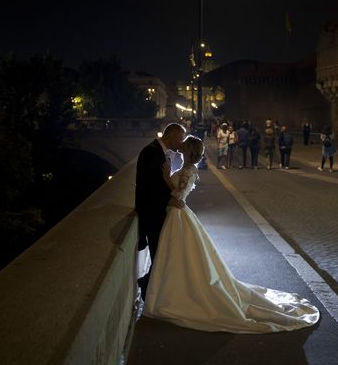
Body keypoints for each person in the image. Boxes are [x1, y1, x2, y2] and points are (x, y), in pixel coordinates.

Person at [143, 135, 320, 333]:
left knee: (178, 257)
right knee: (178, 257)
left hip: (177, 215)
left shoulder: (188, 171)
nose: (180, 144)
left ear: (188, 150)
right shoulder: (186, 169)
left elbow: (178, 198)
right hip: (176, 217)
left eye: (183, 144)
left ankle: (172, 295)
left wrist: (166, 178)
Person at [135, 122, 186, 300]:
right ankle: (149, 288)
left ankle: (150, 286)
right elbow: (150, 187)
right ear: (171, 135)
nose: (182, 142)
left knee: (161, 252)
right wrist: (169, 199)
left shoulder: (158, 151)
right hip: (152, 213)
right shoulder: (152, 152)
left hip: (157, 211)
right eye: (180, 138)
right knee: (159, 252)